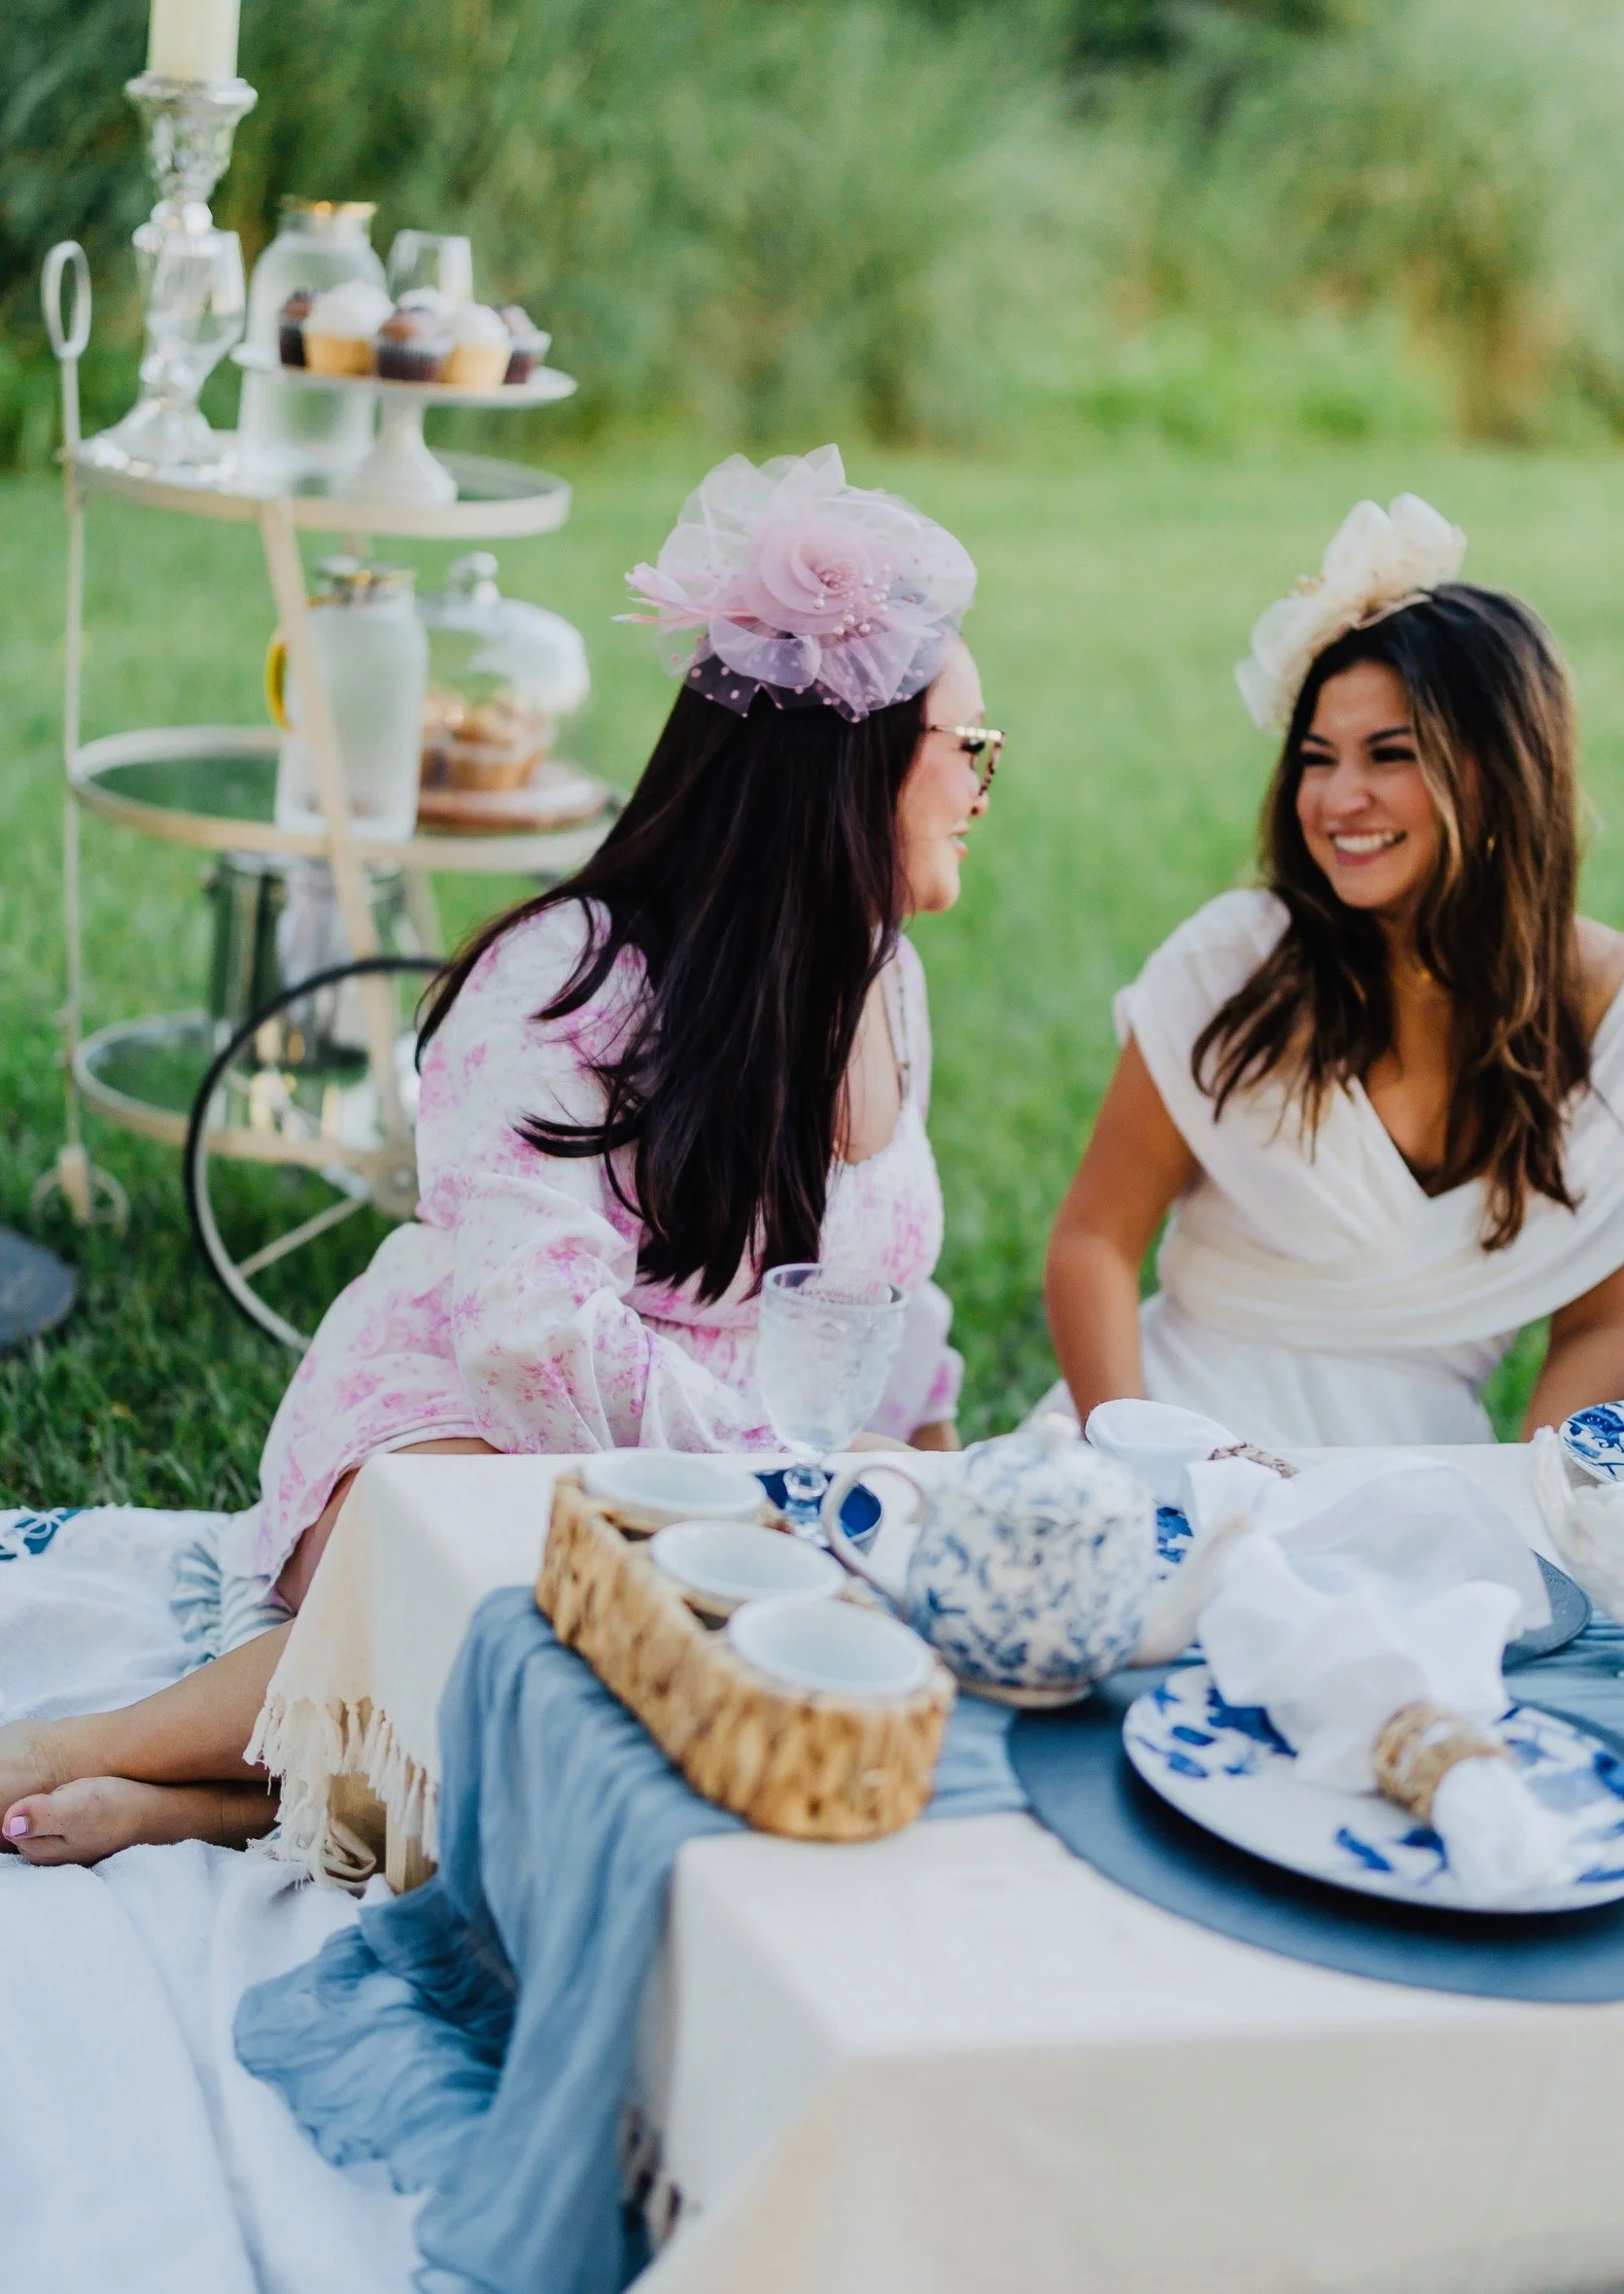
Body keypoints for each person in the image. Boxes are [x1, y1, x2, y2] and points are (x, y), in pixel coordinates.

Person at [0, 444, 998, 1864]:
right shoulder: (566, 979)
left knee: (703, 1713)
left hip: (709, 1476)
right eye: (970, 746)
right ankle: (85, 1744)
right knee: (526, 1603)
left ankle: (228, 1802)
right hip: (466, 1420)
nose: (984, 784)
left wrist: (925, 1472)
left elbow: (876, 1286)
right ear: (852, 767)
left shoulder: (883, 978)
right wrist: (777, 1471)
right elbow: (527, 1335)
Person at [1046, 493, 1624, 1453]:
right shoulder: (1232, 964)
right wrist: (1140, 1460)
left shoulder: (1607, 1012)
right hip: (1183, 1417)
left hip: (1422, 1461)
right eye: (1318, 759)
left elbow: (1604, 1323)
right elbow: (1093, 1242)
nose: (1338, 798)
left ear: (1499, 772)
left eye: (1388, 755)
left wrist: (1536, 1494)